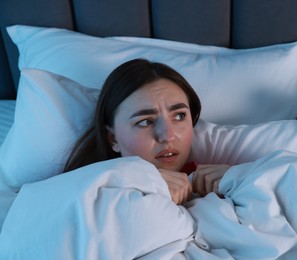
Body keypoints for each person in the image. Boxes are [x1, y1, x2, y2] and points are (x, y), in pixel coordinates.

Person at [64, 58, 230, 205]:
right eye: (145, 122)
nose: (167, 136)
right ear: (113, 139)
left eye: (179, 116)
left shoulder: (219, 186)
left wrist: (242, 181)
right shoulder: (82, 198)